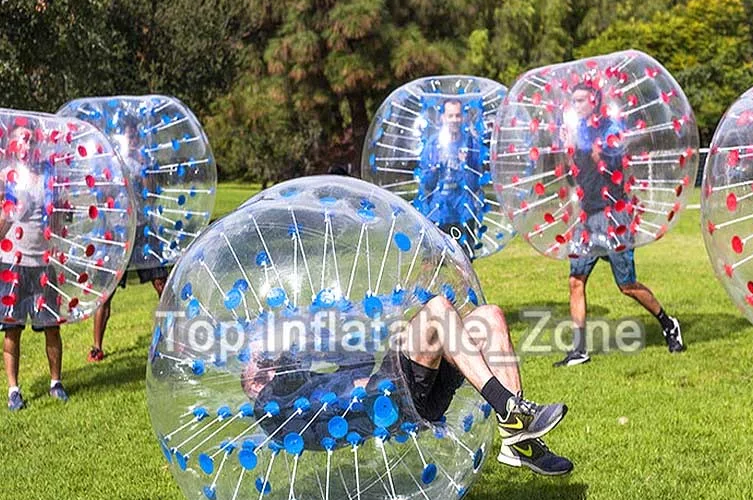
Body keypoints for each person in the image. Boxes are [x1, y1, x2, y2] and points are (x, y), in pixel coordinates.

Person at [243, 296, 573, 477]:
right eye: (255, 375)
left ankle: (521, 440)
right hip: (389, 397)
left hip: (412, 393)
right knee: (437, 310)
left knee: (490, 316)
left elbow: (360, 355)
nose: (263, 363)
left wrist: (317, 341)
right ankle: (510, 409)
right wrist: (273, 363)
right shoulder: (277, 411)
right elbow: (274, 383)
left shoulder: (313, 382)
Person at [553, 82, 685, 367]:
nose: (575, 106)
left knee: (626, 285)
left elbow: (609, 162)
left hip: (614, 215)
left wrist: (586, 145)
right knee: (576, 281)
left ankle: (668, 323)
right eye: (572, 101)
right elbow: (574, 173)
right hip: (587, 216)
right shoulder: (578, 130)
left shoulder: (611, 128)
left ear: (594, 100)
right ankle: (579, 350)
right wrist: (569, 147)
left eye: (580, 101)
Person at [88, 122, 169, 361]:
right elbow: (102, 195)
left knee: (161, 282)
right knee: (107, 290)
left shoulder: (146, 163)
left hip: (143, 228)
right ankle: (96, 346)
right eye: (128, 137)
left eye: (135, 137)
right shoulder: (111, 164)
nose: (132, 141)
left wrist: (145, 171)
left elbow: (152, 194)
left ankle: (170, 335)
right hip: (119, 231)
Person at [0, 124, 68, 409]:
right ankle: (13, 390)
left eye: (30, 140)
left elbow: (60, 221)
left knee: (51, 326)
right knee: (12, 329)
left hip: (43, 261)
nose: (26, 146)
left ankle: (55, 382)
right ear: (12, 145)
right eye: (20, 141)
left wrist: (64, 215)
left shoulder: (48, 177)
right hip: (12, 262)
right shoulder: (5, 178)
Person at [417, 99, 485, 261]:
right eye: (450, 116)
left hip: (463, 213)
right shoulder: (433, 144)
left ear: (463, 118)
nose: (454, 119)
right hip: (437, 214)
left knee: (464, 266)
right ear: (443, 118)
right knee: (431, 263)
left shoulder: (471, 143)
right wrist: (433, 170)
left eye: (458, 115)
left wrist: (465, 164)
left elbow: (476, 184)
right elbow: (425, 184)